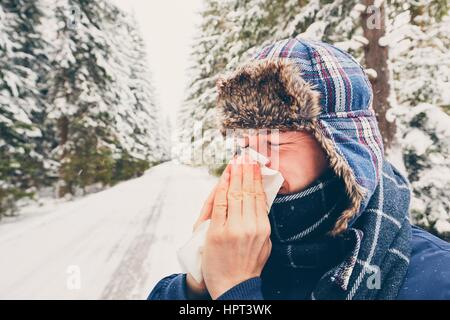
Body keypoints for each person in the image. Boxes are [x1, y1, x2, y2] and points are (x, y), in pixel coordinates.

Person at [148, 38, 450, 300]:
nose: (252, 163)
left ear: (341, 153)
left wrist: (235, 289)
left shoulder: (433, 280)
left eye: (274, 144)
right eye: (243, 146)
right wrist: (198, 283)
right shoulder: (243, 247)